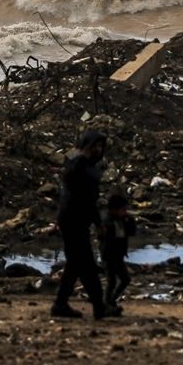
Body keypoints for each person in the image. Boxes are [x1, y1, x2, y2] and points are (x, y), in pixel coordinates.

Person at [51, 129, 120, 320]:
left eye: (100, 146)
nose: (97, 150)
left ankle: (60, 304)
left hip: (76, 219)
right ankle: (99, 306)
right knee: (87, 264)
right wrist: (98, 224)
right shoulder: (78, 166)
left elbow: (87, 200)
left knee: (75, 264)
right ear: (86, 146)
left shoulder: (88, 168)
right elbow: (83, 198)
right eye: (94, 146)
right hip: (73, 220)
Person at [101, 192, 136, 309]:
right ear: (114, 209)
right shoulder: (107, 222)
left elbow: (131, 232)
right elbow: (103, 237)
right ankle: (106, 303)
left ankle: (111, 300)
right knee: (111, 281)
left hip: (119, 255)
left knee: (125, 279)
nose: (125, 212)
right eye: (123, 210)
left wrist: (130, 220)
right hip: (109, 255)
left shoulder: (122, 220)